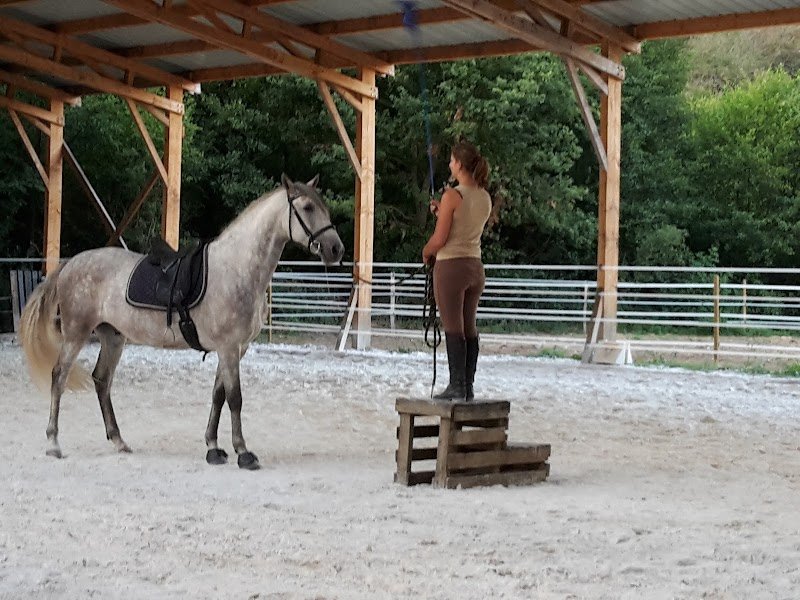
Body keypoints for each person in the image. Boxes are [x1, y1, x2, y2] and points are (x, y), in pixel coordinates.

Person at [422, 141, 491, 401]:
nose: (450, 165)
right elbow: (464, 225)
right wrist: (443, 212)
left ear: (460, 164)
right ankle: (468, 385)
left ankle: (456, 385)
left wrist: (426, 251)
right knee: (469, 326)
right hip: (475, 266)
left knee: (453, 327)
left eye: (452, 161)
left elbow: (440, 239)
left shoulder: (452, 195)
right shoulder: (484, 196)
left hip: (451, 266)